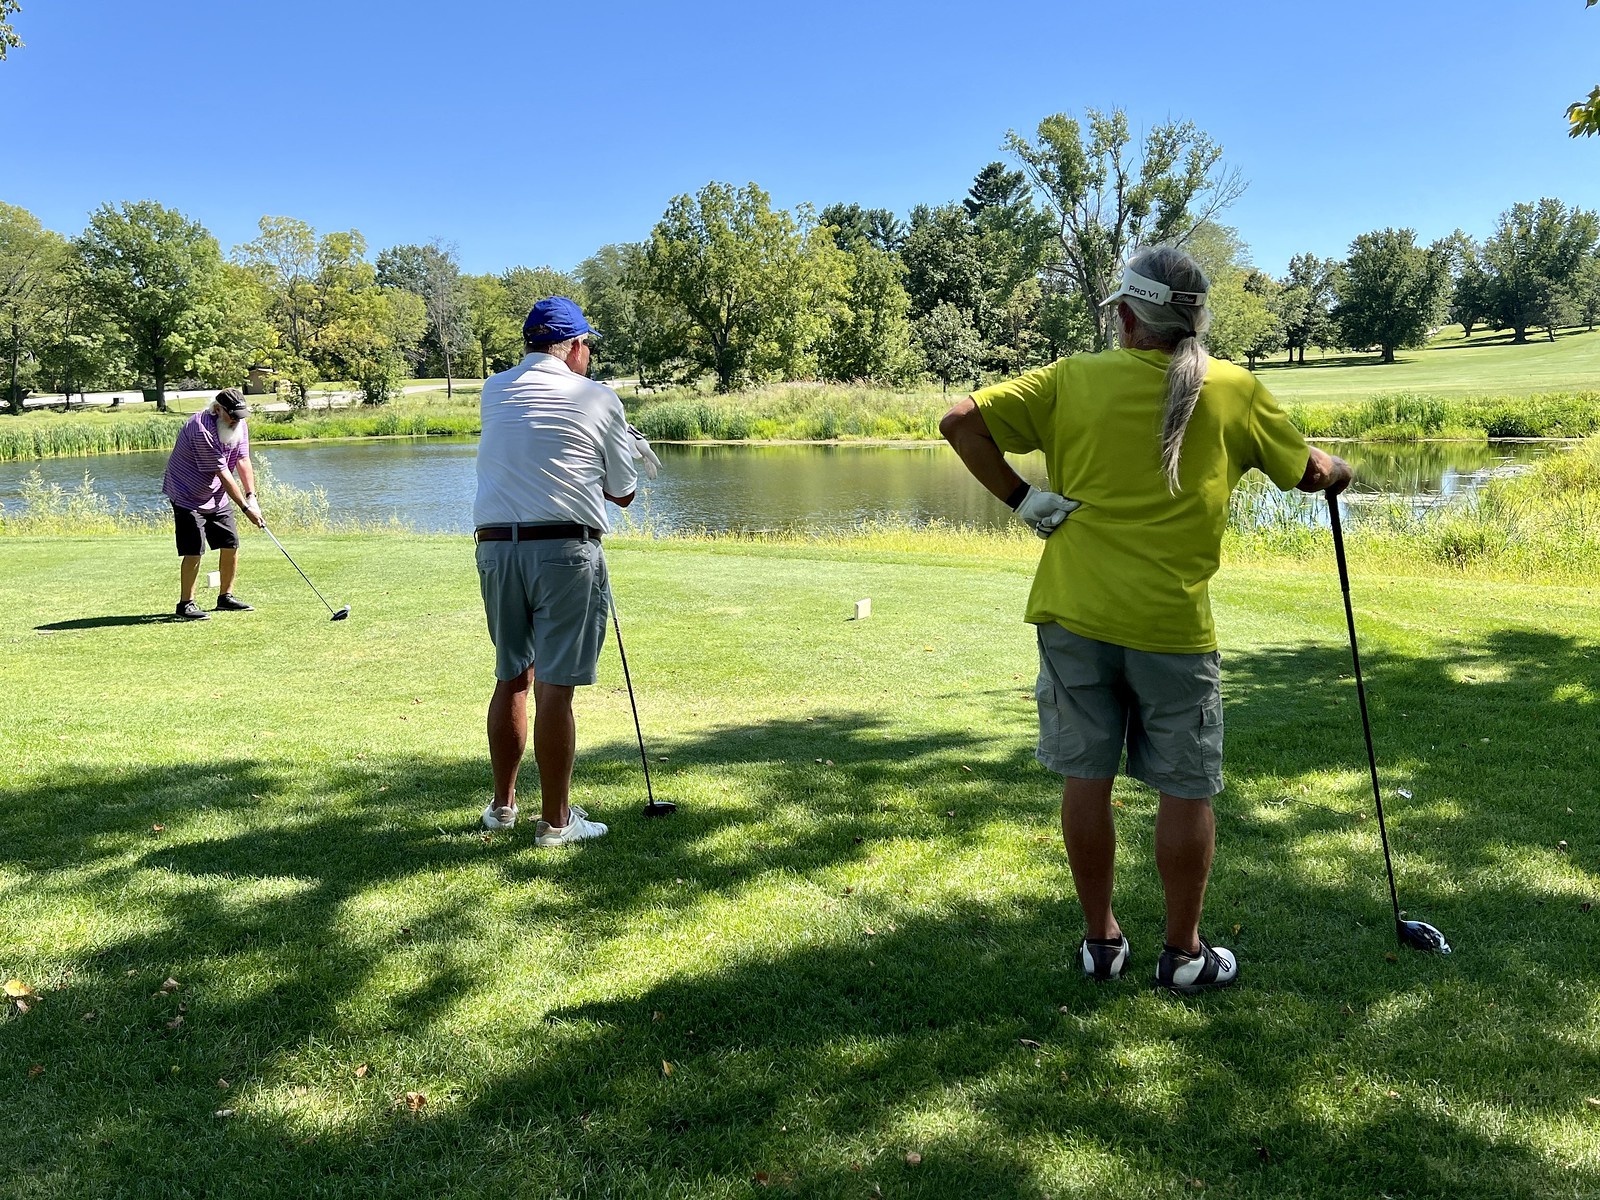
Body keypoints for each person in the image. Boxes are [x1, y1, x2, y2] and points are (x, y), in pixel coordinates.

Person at [940, 245, 1352, 993]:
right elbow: (1309, 473)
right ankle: (1184, 955)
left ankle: (1100, 941)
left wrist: (1022, 499)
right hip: (1173, 626)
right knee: (1185, 787)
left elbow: (960, 421)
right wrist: (1339, 470)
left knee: (1086, 777)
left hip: (1074, 615)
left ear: (1127, 318)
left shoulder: (1072, 378)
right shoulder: (1235, 390)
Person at [474, 296, 659, 847]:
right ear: (575, 346)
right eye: (587, 346)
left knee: (512, 674)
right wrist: (624, 445)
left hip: (496, 548)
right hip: (564, 550)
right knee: (555, 686)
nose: (589, 355)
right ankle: (556, 823)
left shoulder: (493, 389)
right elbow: (622, 493)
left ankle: (503, 807)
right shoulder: (597, 397)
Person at [161, 387, 264, 621]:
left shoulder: (238, 424)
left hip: (215, 494)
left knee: (230, 542)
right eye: (232, 415)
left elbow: (243, 459)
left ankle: (225, 598)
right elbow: (223, 473)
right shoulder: (201, 429)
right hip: (186, 493)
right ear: (218, 410)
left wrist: (252, 497)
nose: (236, 420)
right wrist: (245, 509)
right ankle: (186, 604)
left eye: (240, 416)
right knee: (194, 548)